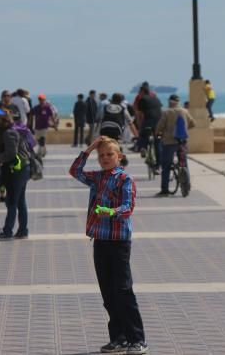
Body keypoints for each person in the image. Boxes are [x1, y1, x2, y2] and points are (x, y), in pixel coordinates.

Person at [69, 136, 147, 354]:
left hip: (119, 241)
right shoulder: (97, 177)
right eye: (101, 155)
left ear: (119, 156)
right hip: (101, 239)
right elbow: (75, 171)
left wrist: (110, 212)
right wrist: (91, 147)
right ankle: (119, 338)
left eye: (109, 154)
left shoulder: (125, 179)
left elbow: (127, 207)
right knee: (108, 292)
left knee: (123, 290)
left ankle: (137, 339)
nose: (105, 158)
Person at [0, 113, 32, 239]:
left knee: (12, 202)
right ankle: (22, 230)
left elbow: (11, 153)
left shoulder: (8, 133)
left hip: (17, 170)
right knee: (21, 202)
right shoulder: (14, 130)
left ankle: (7, 231)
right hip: (23, 169)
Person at [155, 94, 195, 197]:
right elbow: (193, 123)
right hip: (182, 141)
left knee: (166, 166)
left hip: (169, 142)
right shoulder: (184, 111)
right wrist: (185, 129)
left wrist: (157, 133)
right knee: (184, 163)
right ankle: (187, 185)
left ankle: (165, 190)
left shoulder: (166, 112)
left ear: (170, 101)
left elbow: (160, 126)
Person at [136, 84, 162, 166]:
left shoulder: (142, 100)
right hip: (159, 122)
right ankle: (158, 166)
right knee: (157, 144)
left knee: (142, 135)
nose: (138, 94)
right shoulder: (156, 98)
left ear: (143, 92)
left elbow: (140, 115)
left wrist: (139, 127)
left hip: (148, 121)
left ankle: (142, 147)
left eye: (139, 92)